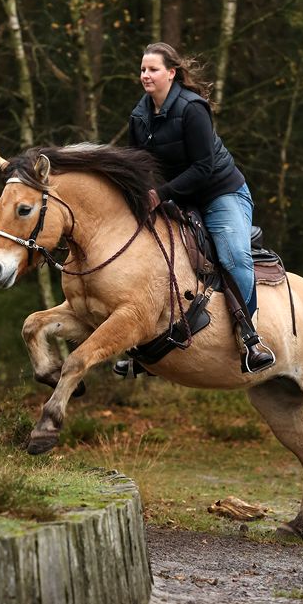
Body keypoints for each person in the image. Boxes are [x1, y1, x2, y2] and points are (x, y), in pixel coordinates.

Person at [114, 41, 275, 376]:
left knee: (233, 256)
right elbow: (138, 167)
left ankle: (250, 338)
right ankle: (138, 343)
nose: (146, 75)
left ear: (171, 73)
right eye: (143, 69)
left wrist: (161, 194)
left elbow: (203, 167)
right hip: (176, 196)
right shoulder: (139, 115)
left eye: (153, 69)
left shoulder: (192, 109)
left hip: (221, 193)